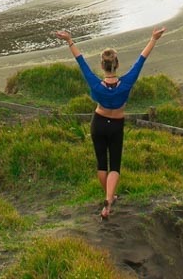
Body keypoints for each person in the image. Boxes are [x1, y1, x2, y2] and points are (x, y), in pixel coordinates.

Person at [54, 26, 166, 220]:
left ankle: (109, 197)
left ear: (102, 65)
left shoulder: (96, 84)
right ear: (117, 64)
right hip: (116, 125)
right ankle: (109, 200)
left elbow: (81, 62)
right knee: (115, 165)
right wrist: (154, 39)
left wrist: (69, 41)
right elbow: (141, 59)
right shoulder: (128, 81)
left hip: (98, 123)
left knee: (101, 164)